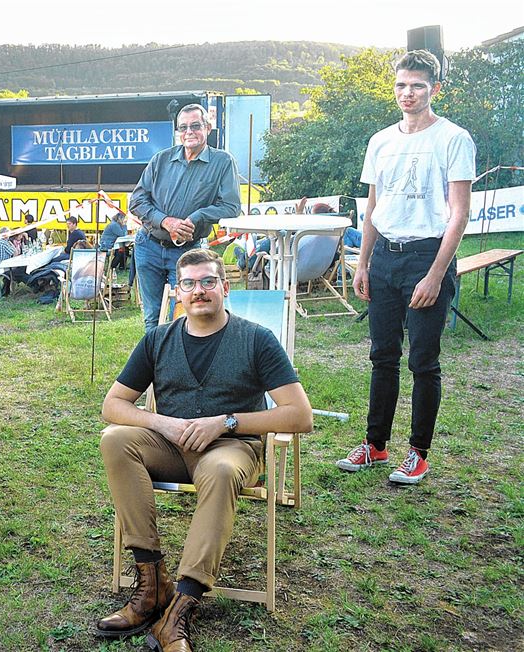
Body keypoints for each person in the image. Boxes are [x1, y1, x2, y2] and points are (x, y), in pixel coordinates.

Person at [95, 249, 312, 647]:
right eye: (190, 283)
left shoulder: (256, 339)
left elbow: (300, 415)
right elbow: (112, 405)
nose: (199, 290)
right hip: (171, 446)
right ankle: (152, 583)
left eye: (208, 281)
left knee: (222, 470)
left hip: (232, 448)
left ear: (224, 287)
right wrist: (161, 422)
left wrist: (226, 422)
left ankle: (180, 610)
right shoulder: (158, 339)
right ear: (178, 292)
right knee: (115, 440)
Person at [336, 50, 475, 485]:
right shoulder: (380, 140)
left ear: (435, 89)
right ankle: (375, 445)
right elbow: (373, 207)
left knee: (423, 361)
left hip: (427, 256)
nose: (408, 93)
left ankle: (418, 453)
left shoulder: (453, 138)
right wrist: (363, 262)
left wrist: (436, 273)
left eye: (417, 85)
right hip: (384, 258)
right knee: (382, 356)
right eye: (401, 85)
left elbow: (459, 213)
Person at [130, 103, 241, 333]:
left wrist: (199, 216)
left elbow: (231, 207)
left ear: (208, 128)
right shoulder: (161, 160)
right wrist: (166, 221)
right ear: (178, 131)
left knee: (183, 315)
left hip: (187, 252)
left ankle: (180, 355)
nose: (189, 131)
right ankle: (156, 356)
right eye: (183, 127)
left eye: (195, 126)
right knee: (152, 316)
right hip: (148, 246)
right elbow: (137, 201)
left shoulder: (222, 162)